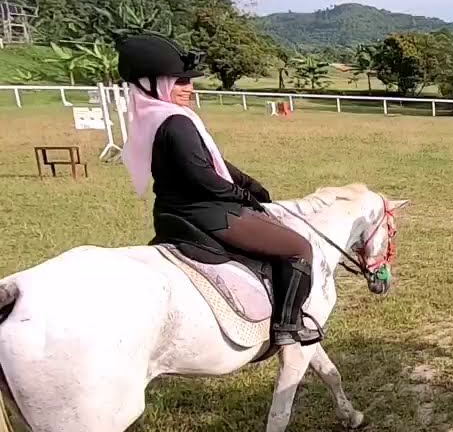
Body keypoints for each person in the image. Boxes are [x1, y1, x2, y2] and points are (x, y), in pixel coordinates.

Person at [117, 34, 322, 346]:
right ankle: (287, 324)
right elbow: (202, 177)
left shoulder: (155, 118)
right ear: (155, 83)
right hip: (208, 212)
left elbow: (213, 162)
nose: (189, 88)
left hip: (174, 210)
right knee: (299, 248)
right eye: (180, 82)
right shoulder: (176, 122)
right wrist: (244, 196)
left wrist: (248, 182)